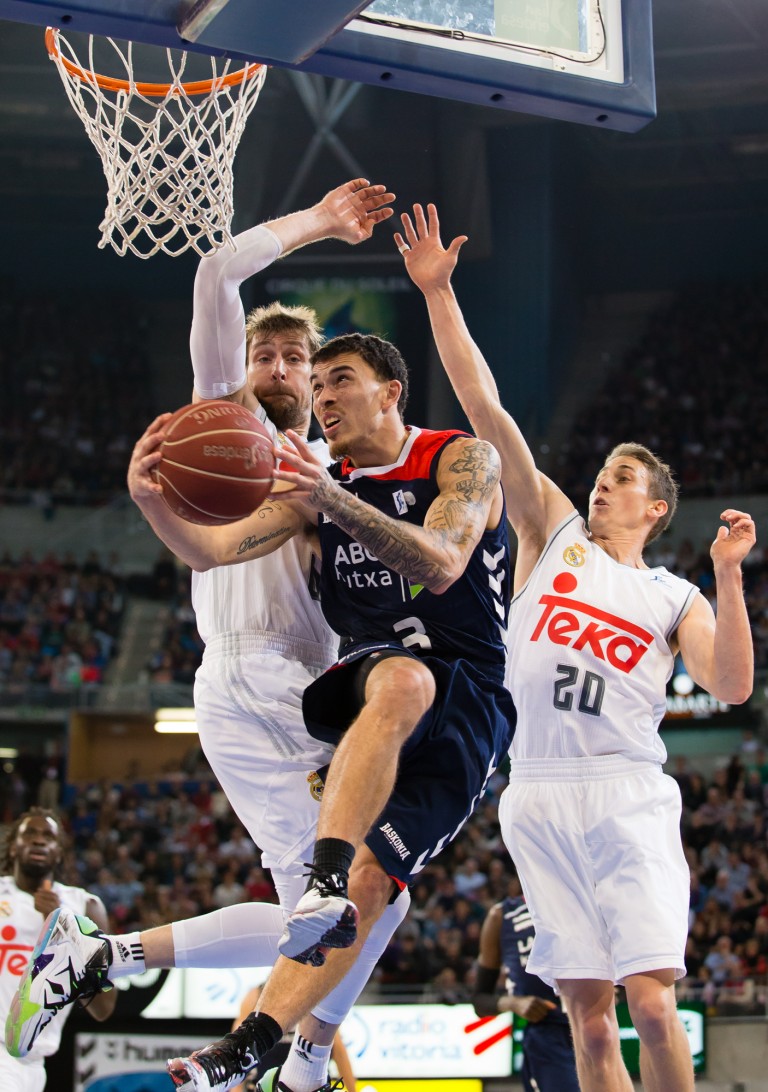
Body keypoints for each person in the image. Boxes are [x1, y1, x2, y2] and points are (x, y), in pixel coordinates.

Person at [6, 179, 411, 1092]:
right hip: (261, 678)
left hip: (289, 687)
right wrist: (319, 223)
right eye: (263, 351)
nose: (273, 365)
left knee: (335, 906)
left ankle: (104, 955)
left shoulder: (331, 471)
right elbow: (217, 268)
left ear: (316, 376)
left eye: (291, 355)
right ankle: (303, 1058)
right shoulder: (223, 426)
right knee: (368, 889)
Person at [394, 202, 756, 1092]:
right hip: (539, 793)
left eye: (621, 481)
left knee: (652, 1004)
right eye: (600, 476)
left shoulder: (673, 593)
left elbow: (734, 686)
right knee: (587, 1019)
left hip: (627, 790)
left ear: (655, 508)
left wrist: (730, 576)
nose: (601, 487)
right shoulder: (553, 533)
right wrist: (439, 294)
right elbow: (486, 405)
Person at [126, 316, 515, 1089]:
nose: (322, 394)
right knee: (400, 680)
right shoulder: (316, 491)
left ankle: (265, 1044)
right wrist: (152, 501)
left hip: (472, 697)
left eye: (340, 380)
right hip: (377, 679)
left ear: (390, 392)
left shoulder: (460, 459)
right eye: (318, 382)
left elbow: (439, 565)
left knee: (384, 889)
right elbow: (210, 549)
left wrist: (333, 502)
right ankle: (323, 879)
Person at [0, 809, 116, 1091]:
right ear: (13, 848)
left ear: (59, 853)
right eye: (30, 833)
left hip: (33, 1065)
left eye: (48, 836)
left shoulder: (84, 906)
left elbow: (104, 1007)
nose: (39, 841)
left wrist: (62, 930)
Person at [472, 890, 579, 1092]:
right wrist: (514, 1002)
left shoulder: (584, 898)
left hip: (594, 1020)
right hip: (548, 1033)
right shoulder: (502, 915)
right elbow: (480, 1000)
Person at [231, 982, 356, 1092]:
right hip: (265, 1083)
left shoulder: (314, 996)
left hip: (307, 1084)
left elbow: (339, 1051)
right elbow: (238, 1051)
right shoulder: (256, 997)